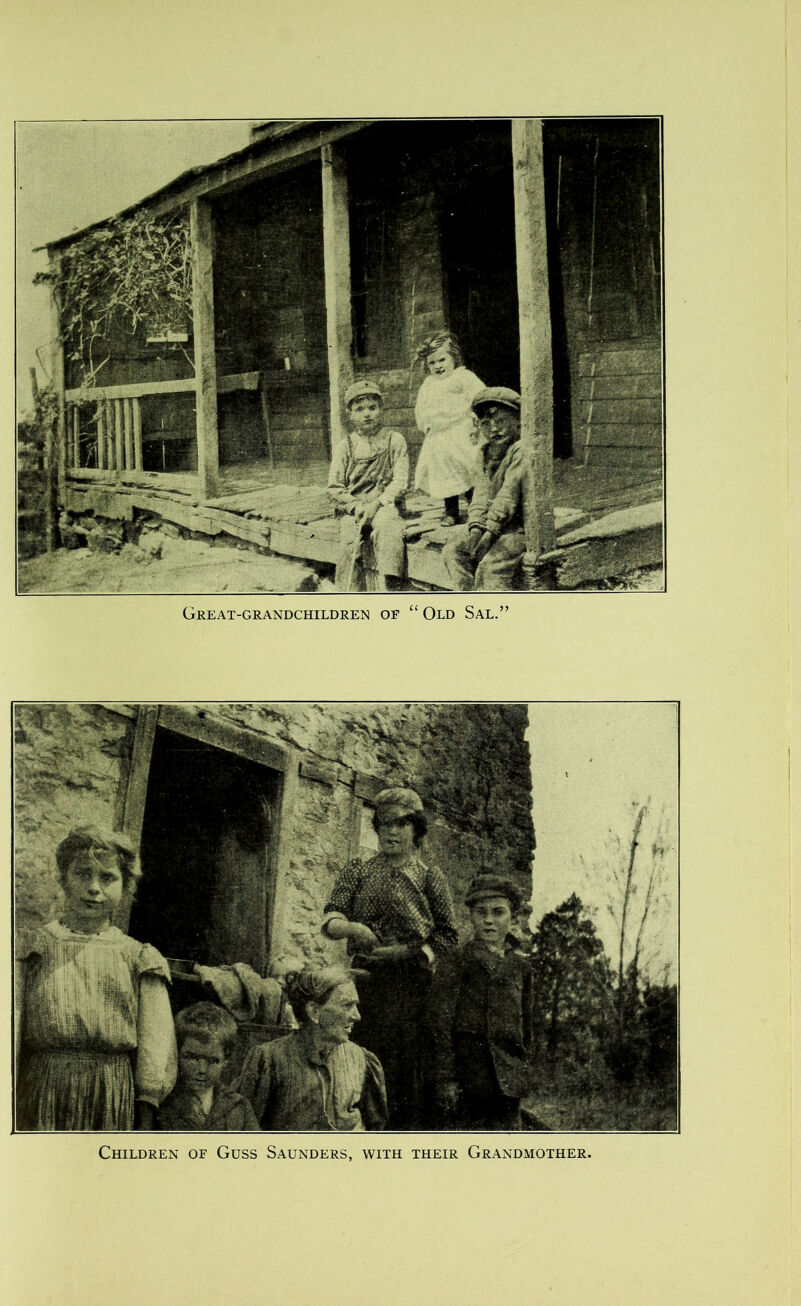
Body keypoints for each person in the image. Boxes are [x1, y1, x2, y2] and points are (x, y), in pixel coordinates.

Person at [15, 826, 176, 1131]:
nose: (93, 888)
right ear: (64, 879)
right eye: (82, 874)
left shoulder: (139, 959)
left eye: (107, 878)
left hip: (111, 1095)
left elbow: (157, 1047)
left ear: (126, 885)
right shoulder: (32, 950)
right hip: (44, 1091)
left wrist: (146, 1106)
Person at [321, 787, 458, 1128]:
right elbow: (330, 919)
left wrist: (413, 954)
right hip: (365, 985)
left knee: (406, 1072)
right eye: (383, 825)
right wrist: (353, 928)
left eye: (400, 824)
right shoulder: (359, 870)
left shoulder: (430, 877)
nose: (390, 832)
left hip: (413, 988)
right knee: (361, 1062)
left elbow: (447, 936)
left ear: (416, 830)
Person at [428, 874, 533, 1130]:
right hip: (468, 1083)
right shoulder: (456, 962)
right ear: (471, 917)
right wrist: (446, 1080)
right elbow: (439, 1025)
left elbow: (527, 1028)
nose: (489, 920)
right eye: (481, 912)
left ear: (513, 918)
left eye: (498, 912)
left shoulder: (521, 967)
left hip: (508, 1085)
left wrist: (522, 1071)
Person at [237, 967, 387, 1131]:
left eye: (356, 1006)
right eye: (347, 1006)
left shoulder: (361, 1058)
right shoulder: (269, 1059)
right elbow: (244, 1130)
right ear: (314, 1011)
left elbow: (375, 1130)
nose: (357, 1016)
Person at [441, 387, 527, 591]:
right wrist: (476, 527)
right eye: (486, 424)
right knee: (453, 551)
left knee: (490, 568)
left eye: (501, 421)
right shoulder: (483, 453)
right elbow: (480, 493)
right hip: (492, 525)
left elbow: (509, 493)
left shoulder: (521, 449)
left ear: (518, 420)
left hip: (520, 527)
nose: (494, 429)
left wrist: (489, 531)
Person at [328, 378, 409, 591]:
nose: (367, 414)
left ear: (381, 408)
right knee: (349, 540)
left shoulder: (395, 440)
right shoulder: (345, 447)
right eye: (360, 409)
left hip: (385, 505)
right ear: (350, 414)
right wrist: (356, 506)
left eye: (372, 408)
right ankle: (349, 594)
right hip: (354, 509)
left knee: (388, 529)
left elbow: (400, 481)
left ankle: (392, 587)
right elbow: (334, 487)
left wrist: (379, 503)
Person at [413, 331, 484, 525]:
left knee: (468, 467)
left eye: (442, 360)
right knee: (444, 473)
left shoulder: (463, 377)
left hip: (462, 430)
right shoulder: (428, 385)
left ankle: (475, 507)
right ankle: (451, 511)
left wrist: (476, 417)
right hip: (440, 436)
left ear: (453, 357)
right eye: (432, 363)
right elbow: (422, 408)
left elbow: (480, 396)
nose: (438, 366)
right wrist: (426, 424)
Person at [157, 1002, 259, 1131]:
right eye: (192, 1058)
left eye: (213, 1061)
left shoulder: (239, 1107)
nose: (202, 1070)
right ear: (176, 1054)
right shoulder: (161, 1102)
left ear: (225, 1061)